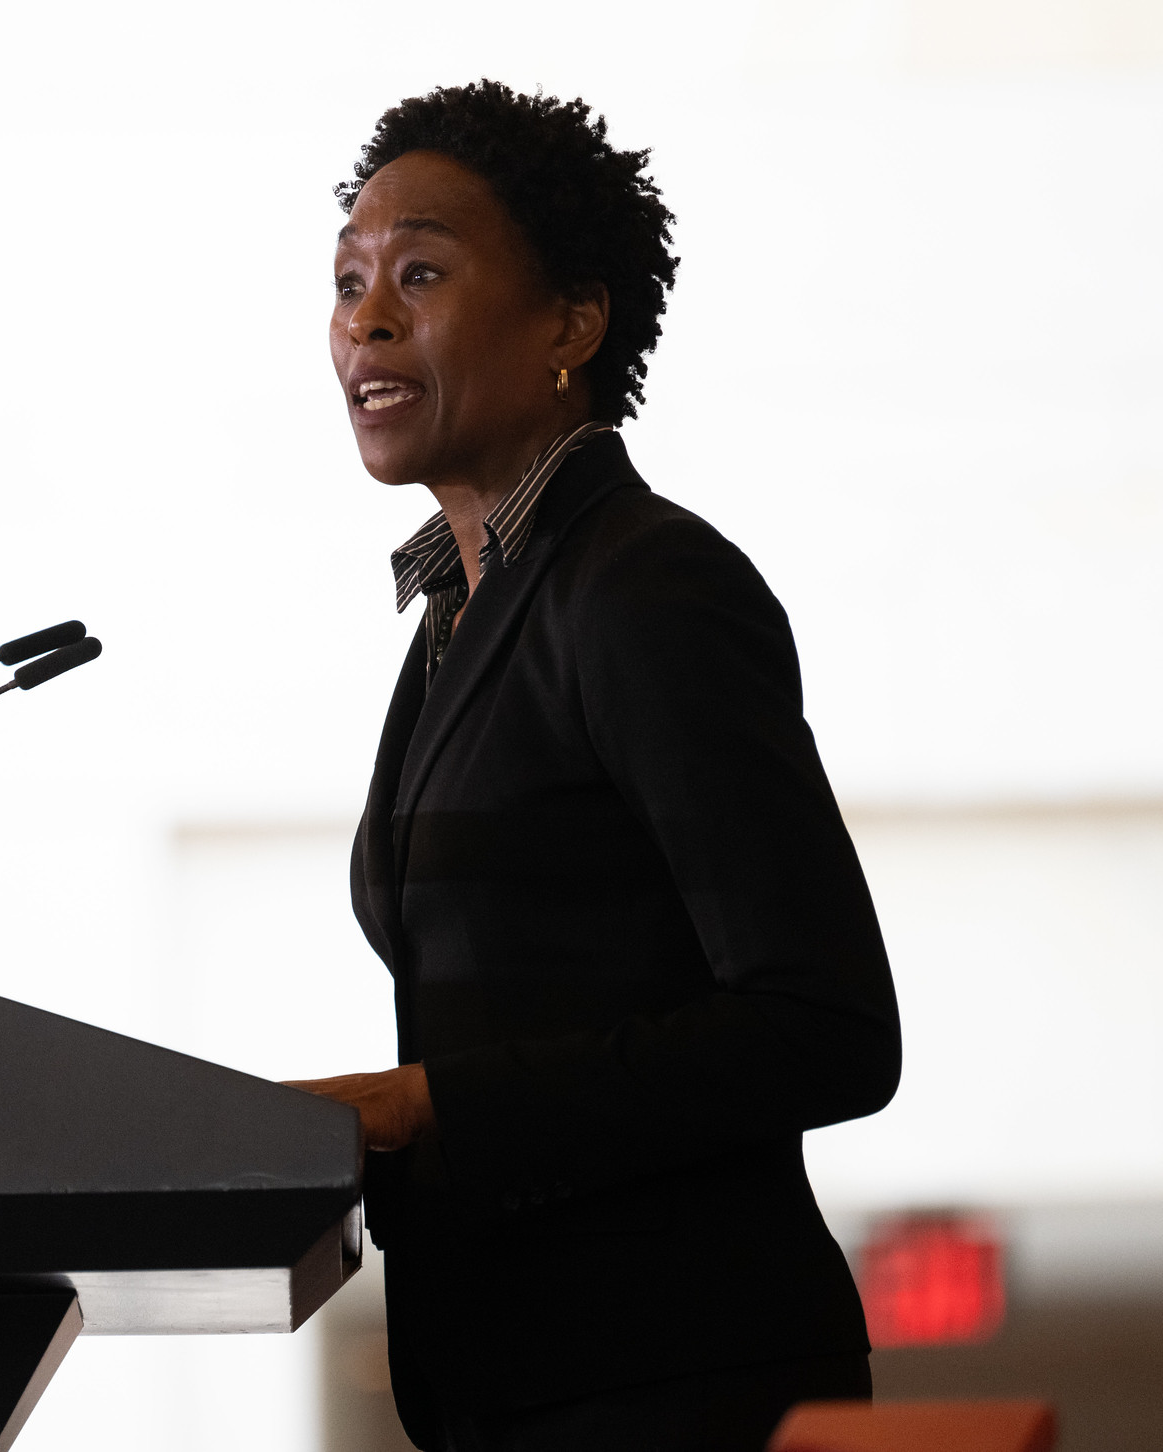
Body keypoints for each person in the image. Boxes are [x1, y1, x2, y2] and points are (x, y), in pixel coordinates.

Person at [283, 83, 902, 1452]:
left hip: (678, 1386)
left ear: (572, 321)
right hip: (510, 1390)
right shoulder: (460, 613)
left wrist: (425, 1105)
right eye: (346, 283)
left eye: (421, 273)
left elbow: (828, 1026)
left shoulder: (644, 588)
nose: (366, 322)